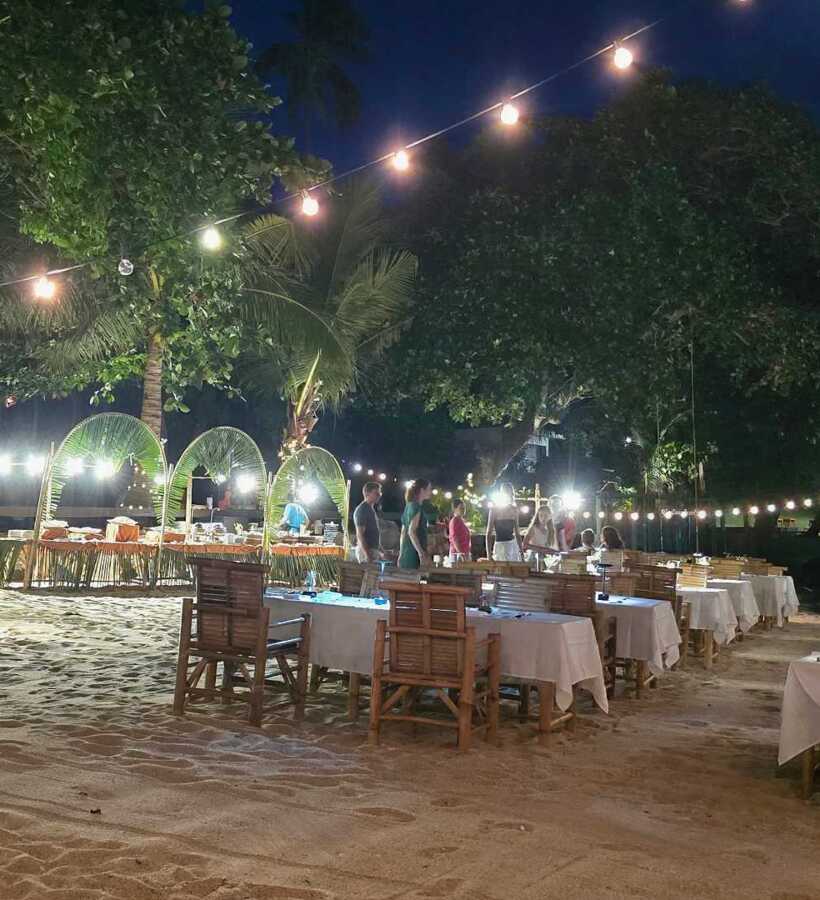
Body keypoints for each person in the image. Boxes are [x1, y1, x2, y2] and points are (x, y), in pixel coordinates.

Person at [399, 479, 433, 569]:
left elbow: (403, 533)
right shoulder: (416, 507)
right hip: (414, 553)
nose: (431, 492)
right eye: (429, 489)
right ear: (422, 490)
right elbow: (411, 532)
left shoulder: (408, 506)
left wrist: (401, 554)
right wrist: (421, 553)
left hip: (407, 552)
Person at [486, 483, 522, 561]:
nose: (508, 495)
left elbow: (517, 533)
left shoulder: (514, 509)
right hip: (500, 545)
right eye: (505, 492)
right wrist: (489, 555)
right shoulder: (494, 510)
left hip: (512, 545)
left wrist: (521, 553)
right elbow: (488, 533)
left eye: (509, 493)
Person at [353, 481, 382, 563]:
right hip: (367, 550)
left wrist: (381, 550)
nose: (379, 495)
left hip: (371, 550)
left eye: (380, 493)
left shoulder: (370, 509)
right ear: (367, 493)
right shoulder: (363, 509)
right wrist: (367, 554)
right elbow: (360, 534)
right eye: (376, 493)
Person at [522, 505, 552, 570]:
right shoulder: (533, 528)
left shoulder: (548, 530)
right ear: (537, 516)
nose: (543, 518)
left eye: (546, 516)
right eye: (541, 515)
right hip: (533, 557)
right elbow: (524, 545)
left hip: (543, 558)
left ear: (549, 517)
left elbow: (546, 546)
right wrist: (539, 549)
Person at [448, 499, 472, 563]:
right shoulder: (455, 521)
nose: (463, 510)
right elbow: (454, 538)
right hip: (457, 554)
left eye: (464, 508)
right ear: (455, 509)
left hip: (464, 552)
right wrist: (461, 553)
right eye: (461, 508)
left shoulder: (462, 521)